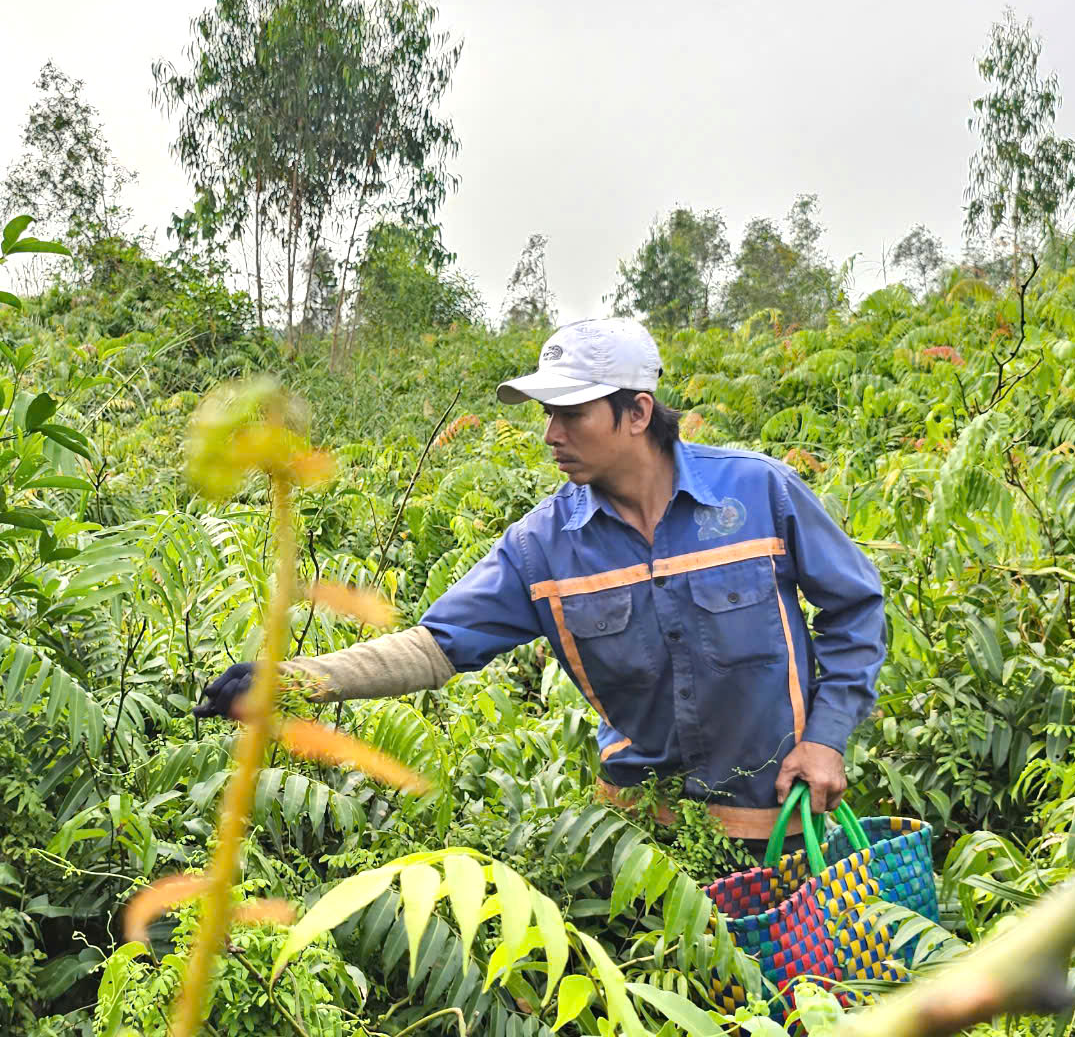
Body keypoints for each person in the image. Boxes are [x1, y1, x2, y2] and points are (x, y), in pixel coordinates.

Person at [194, 317, 886, 849]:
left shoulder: (759, 494)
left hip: (785, 825)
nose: (551, 434)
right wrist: (294, 679)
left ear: (638, 413)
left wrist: (825, 738)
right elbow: (436, 647)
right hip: (644, 838)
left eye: (572, 414)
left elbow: (855, 610)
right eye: (546, 415)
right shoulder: (543, 547)